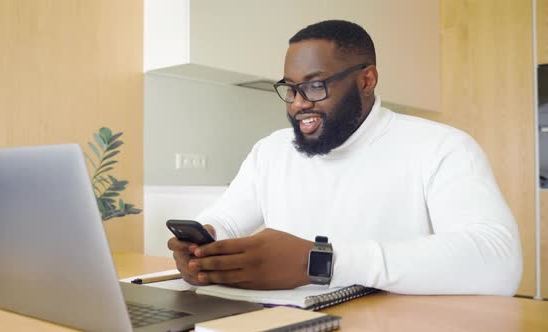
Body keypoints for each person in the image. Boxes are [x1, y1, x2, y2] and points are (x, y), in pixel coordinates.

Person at [167, 20, 522, 295]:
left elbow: (497, 261)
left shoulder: (442, 147)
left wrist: (322, 262)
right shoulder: (271, 151)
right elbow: (225, 220)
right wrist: (202, 249)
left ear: (366, 80)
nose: (298, 103)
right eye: (290, 88)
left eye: (315, 85)